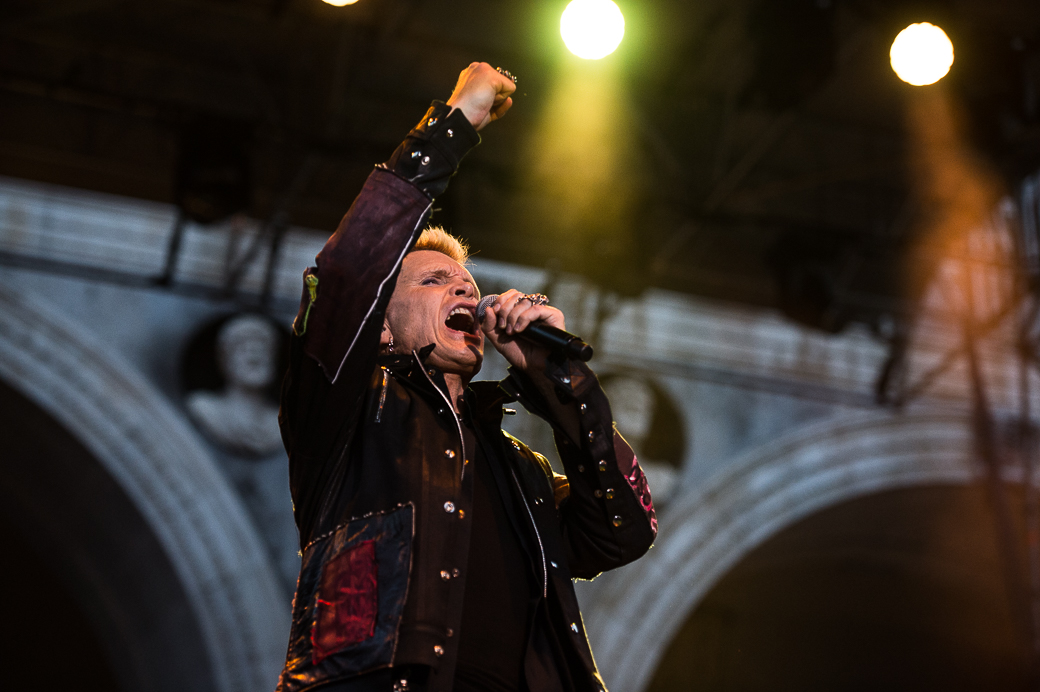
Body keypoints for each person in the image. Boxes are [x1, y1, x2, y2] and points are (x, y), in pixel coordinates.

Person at [276, 62, 657, 692]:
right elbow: (347, 274)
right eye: (434, 281)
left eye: (469, 286)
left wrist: (555, 376)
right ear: (380, 328)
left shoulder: (521, 470)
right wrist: (454, 123)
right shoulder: (350, 411)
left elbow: (625, 532)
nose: (464, 291)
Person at [186, 313, 284, 457]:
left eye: (263, 350)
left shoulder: (281, 423)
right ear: (225, 361)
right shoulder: (205, 408)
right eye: (243, 349)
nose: (255, 358)